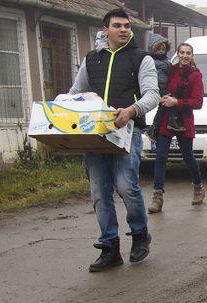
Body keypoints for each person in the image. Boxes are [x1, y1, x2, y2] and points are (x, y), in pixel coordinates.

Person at [68, 9, 159, 272]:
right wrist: (62, 109)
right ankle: (110, 247)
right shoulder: (92, 59)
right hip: (95, 135)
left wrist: (131, 111)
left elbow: (153, 94)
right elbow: (76, 92)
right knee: (99, 192)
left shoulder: (141, 59)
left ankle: (140, 234)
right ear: (105, 29)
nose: (124, 30)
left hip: (126, 132)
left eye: (127, 26)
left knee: (125, 185)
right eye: (117, 26)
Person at [148, 43, 205, 213]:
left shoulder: (196, 76)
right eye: (182, 52)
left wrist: (177, 102)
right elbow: (161, 85)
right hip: (166, 119)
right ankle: (157, 197)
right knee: (160, 157)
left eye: (188, 53)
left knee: (188, 157)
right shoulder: (171, 70)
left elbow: (198, 102)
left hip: (184, 120)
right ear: (178, 54)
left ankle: (198, 187)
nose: (185, 56)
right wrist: (161, 97)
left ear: (192, 55)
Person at [146, 35, 184, 140]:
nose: (161, 51)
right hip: (159, 87)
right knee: (169, 101)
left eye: (163, 49)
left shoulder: (166, 61)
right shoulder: (152, 61)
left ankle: (154, 128)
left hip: (164, 86)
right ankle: (173, 119)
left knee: (163, 107)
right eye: (159, 48)